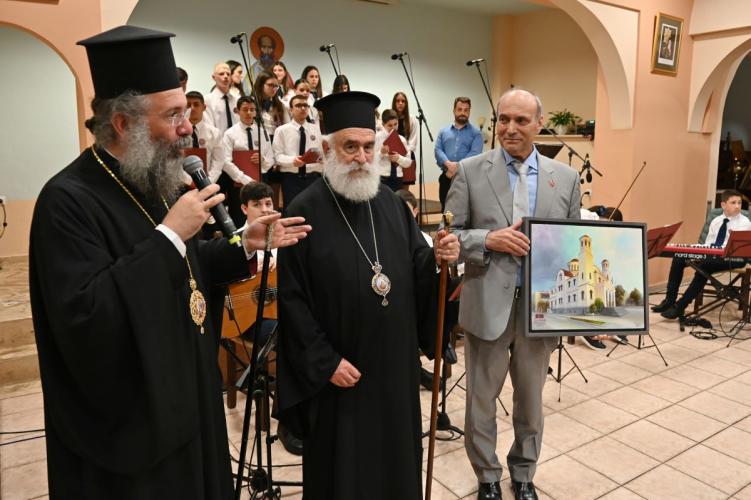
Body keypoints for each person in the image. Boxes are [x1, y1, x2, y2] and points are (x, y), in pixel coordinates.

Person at [29, 25, 311, 499]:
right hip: (131, 430)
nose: (187, 127)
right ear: (124, 124)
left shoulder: (155, 181)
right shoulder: (67, 201)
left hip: (188, 396)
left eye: (185, 112)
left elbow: (188, 266)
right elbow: (84, 315)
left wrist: (243, 243)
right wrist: (169, 235)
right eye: (174, 115)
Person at [276, 90, 460, 500]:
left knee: (395, 469)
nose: (361, 157)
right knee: (345, 474)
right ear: (327, 149)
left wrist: (439, 260)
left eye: (368, 146)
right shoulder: (302, 212)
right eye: (350, 147)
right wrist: (325, 362)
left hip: (394, 370)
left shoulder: (392, 205)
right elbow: (291, 300)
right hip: (341, 377)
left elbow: (418, 265)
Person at [445, 88, 580, 500]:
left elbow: (573, 243)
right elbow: (448, 236)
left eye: (521, 120)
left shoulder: (566, 178)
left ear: (539, 124)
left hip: (541, 308)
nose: (510, 128)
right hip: (487, 301)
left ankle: (523, 473)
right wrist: (488, 239)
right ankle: (487, 476)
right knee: (481, 401)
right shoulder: (470, 171)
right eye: (503, 119)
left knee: (531, 401)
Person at [654, 189, 751, 319]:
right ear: (723, 205)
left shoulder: (745, 222)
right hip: (712, 254)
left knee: (704, 266)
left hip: (734, 257)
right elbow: (709, 243)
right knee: (679, 257)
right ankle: (669, 300)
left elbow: (736, 247)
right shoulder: (716, 221)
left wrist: (707, 257)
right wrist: (700, 252)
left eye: (739, 203)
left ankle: (680, 306)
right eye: (733, 203)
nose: (737, 206)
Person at [221, 96, 274, 225]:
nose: (249, 113)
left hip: (260, 180)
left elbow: (271, 159)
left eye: (252, 109)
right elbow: (225, 161)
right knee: (239, 217)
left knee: (261, 215)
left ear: (256, 111)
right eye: (245, 109)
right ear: (238, 111)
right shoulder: (230, 133)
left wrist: (263, 160)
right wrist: (244, 179)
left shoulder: (262, 132)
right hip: (238, 183)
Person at [272, 94, 323, 206]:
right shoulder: (282, 130)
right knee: (292, 210)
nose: (303, 108)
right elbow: (277, 156)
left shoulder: (315, 129)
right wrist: (292, 160)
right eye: (298, 105)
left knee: (313, 210)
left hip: (312, 177)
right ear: (291, 110)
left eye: (305, 105)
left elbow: (320, 152)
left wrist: (321, 158)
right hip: (291, 178)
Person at [435, 96, 483, 210]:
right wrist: (448, 164)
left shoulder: (476, 133)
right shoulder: (443, 132)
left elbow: (475, 154)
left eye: (466, 110)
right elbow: (438, 150)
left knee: (464, 212)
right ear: (454, 110)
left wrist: (456, 167)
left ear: (469, 111)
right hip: (446, 178)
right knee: (446, 212)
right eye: (460, 109)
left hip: (466, 180)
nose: (463, 113)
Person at [184, 90, 223, 184]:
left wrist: (209, 181)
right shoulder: (177, 133)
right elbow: (173, 160)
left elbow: (218, 161)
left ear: (204, 107)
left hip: (208, 181)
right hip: (182, 182)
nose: (192, 108)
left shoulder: (214, 133)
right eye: (188, 105)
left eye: (196, 104)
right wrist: (189, 182)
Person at [375, 109, 412, 191]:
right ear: (383, 124)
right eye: (390, 125)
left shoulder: (402, 140)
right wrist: (381, 153)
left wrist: (399, 158)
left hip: (398, 178)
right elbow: (371, 161)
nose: (393, 128)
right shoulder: (377, 138)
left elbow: (408, 163)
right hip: (382, 177)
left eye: (395, 124)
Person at [204, 62, 238, 135]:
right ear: (213, 77)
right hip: (218, 140)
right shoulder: (207, 100)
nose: (225, 76)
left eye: (228, 74)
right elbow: (209, 127)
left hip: (237, 140)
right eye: (221, 74)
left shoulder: (236, 100)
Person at [254, 71, 288, 138]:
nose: (274, 89)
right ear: (261, 85)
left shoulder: (280, 105)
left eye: (276, 86)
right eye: (270, 85)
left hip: (275, 139)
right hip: (258, 138)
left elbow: (287, 126)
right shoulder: (252, 103)